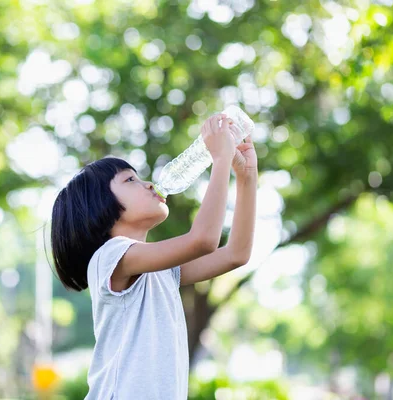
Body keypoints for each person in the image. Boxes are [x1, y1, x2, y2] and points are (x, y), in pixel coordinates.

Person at [50, 113, 258, 399]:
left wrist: (246, 178)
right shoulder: (109, 258)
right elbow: (204, 241)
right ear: (101, 209)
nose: (148, 184)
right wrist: (219, 160)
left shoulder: (161, 271)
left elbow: (236, 254)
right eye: (130, 180)